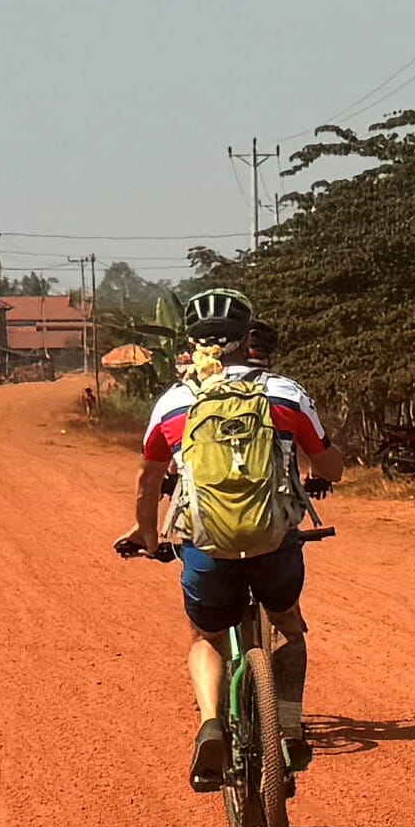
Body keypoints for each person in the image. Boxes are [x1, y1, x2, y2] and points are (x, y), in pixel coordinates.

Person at [123, 286, 333, 790]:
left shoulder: (173, 403)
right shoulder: (285, 393)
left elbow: (149, 480)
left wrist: (149, 536)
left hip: (206, 546)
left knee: (207, 636)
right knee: (287, 623)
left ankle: (211, 723)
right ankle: (287, 722)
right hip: (273, 542)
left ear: (192, 341)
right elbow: (331, 467)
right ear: (246, 338)